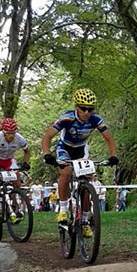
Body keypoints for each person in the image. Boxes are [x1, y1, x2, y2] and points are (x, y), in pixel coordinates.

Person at [42, 88, 119, 234]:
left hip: (81, 150)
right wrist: (47, 154)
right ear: (77, 107)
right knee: (65, 172)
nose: (87, 113)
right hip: (64, 148)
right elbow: (47, 136)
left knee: (87, 181)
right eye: (83, 109)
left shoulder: (95, 119)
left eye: (90, 109)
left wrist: (113, 155)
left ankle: (84, 220)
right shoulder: (67, 118)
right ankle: (63, 210)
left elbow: (109, 138)